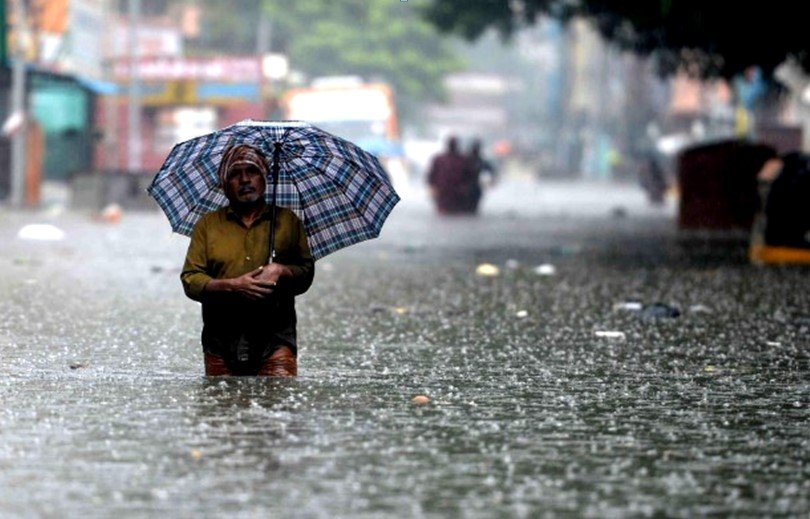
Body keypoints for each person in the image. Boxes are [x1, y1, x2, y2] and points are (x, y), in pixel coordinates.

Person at [181, 144, 314, 377]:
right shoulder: (207, 225)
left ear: (264, 179)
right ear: (224, 185)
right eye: (235, 174)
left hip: (275, 338)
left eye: (252, 171)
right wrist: (233, 285)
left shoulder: (287, 222)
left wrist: (281, 270)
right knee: (221, 407)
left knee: (278, 404)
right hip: (221, 339)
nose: (244, 180)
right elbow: (191, 279)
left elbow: (306, 273)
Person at [426, 136, 476, 215]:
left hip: (454, 193)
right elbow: (431, 176)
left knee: (451, 213)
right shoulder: (462, 159)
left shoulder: (462, 160)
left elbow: (470, 177)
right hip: (447, 193)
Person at [464, 138, 497, 213]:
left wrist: (492, 181)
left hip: (474, 189)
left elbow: (491, 171)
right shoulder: (466, 161)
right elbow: (491, 171)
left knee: (472, 210)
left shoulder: (479, 161)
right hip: (468, 188)